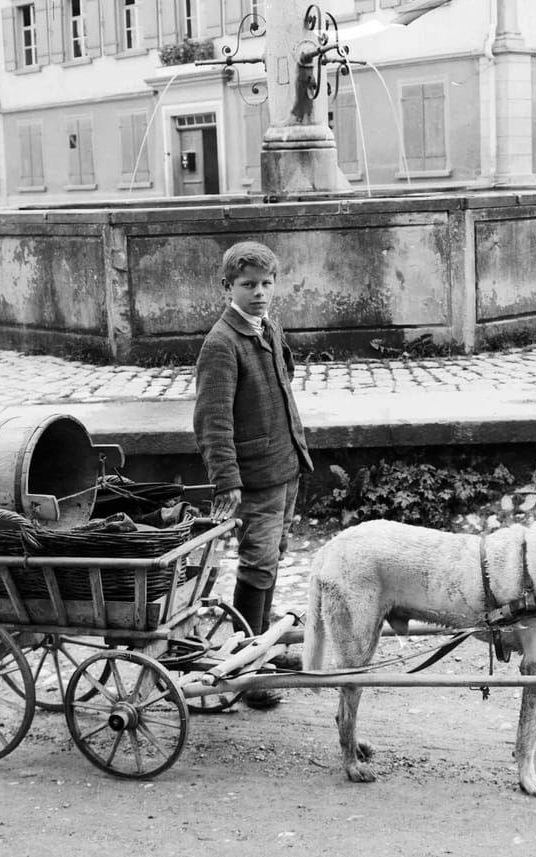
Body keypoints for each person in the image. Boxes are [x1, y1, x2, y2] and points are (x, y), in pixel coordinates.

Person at [193, 241, 312, 709]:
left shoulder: (266, 328)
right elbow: (212, 420)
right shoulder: (221, 345)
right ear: (227, 288)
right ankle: (248, 668)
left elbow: (283, 381)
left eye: (266, 284)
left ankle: (260, 640)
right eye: (248, 286)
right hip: (256, 477)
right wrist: (228, 480)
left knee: (274, 554)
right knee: (257, 562)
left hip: (285, 465)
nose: (259, 293)